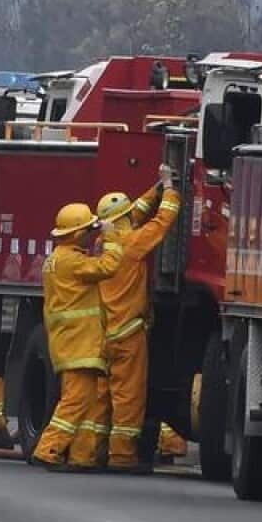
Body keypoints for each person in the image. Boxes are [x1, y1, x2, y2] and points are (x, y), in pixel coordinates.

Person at [80, 165, 182, 473]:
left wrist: (155, 188)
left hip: (103, 332)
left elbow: (134, 213)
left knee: (100, 397)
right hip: (128, 333)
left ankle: (92, 453)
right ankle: (122, 457)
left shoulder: (103, 244)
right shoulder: (133, 244)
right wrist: (171, 189)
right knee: (127, 397)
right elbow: (163, 221)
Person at [31, 202, 124, 471]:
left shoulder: (60, 257)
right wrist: (111, 236)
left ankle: (81, 456)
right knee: (75, 401)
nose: (90, 234)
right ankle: (48, 449)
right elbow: (109, 267)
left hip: (73, 342)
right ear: (76, 233)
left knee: (87, 402)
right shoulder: (72, 261)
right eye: (88, 230)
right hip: (78, 343)